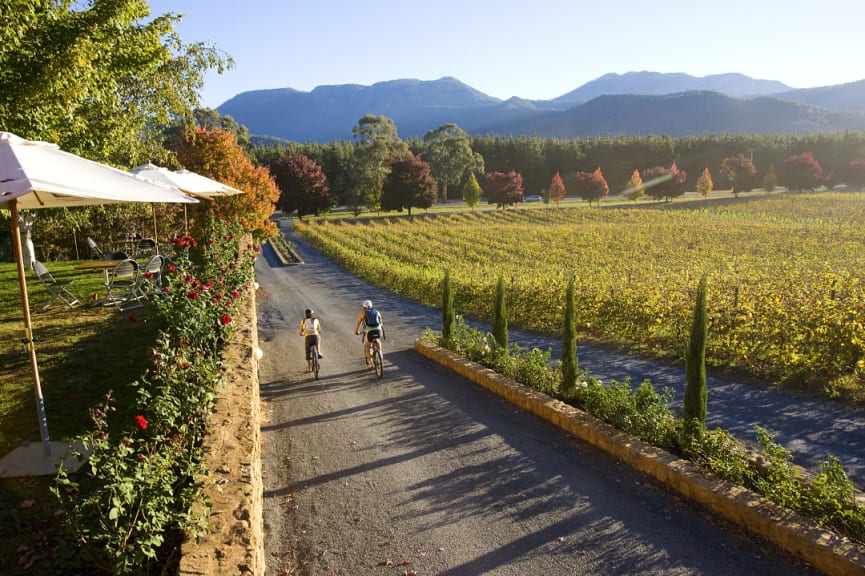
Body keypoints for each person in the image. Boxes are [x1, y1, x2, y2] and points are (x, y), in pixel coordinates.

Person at [354, 299, 384, 368]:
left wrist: (357, 331)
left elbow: (359, 323)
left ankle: (370, 363)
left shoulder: (363, 314)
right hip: (378, 331)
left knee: (367, 346)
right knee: (378, 342)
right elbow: (381, 323)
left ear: (364, 307)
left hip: (370, 332)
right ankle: (380, 355)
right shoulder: (377, 312)